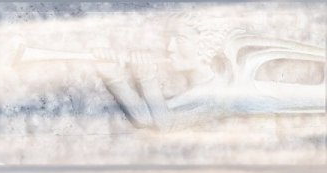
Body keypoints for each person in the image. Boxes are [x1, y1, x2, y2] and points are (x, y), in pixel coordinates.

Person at [92, 14, 325, 131]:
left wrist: (145, 78)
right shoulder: (208, 86)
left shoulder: (221, 91)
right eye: (168, 39)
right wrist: (116, 78)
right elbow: (147, 119)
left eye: (179, 39)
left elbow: (163, 124)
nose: (169, 47)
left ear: (204, 46)